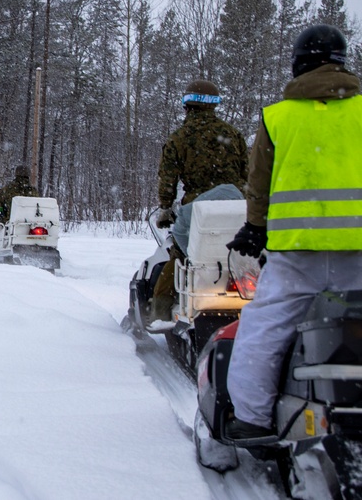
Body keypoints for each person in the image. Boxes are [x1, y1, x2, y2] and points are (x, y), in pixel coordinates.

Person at [224, 24, 362, 441]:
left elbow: (259, 185)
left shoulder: (277, 117)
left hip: (295, 253)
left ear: (298, 64)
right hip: (357, 253)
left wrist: (253, 228)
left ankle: (251, 417)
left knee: (264, 330)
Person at [149, 80, 248, 325]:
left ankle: (158, 315)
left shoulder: (179, 138)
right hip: (236, 206)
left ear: (187, 104)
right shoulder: (233, 135)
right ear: (215, 104)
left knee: (181, 257)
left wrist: (165, 207)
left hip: (198, 209)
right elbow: (247, 173)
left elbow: (168, 178)